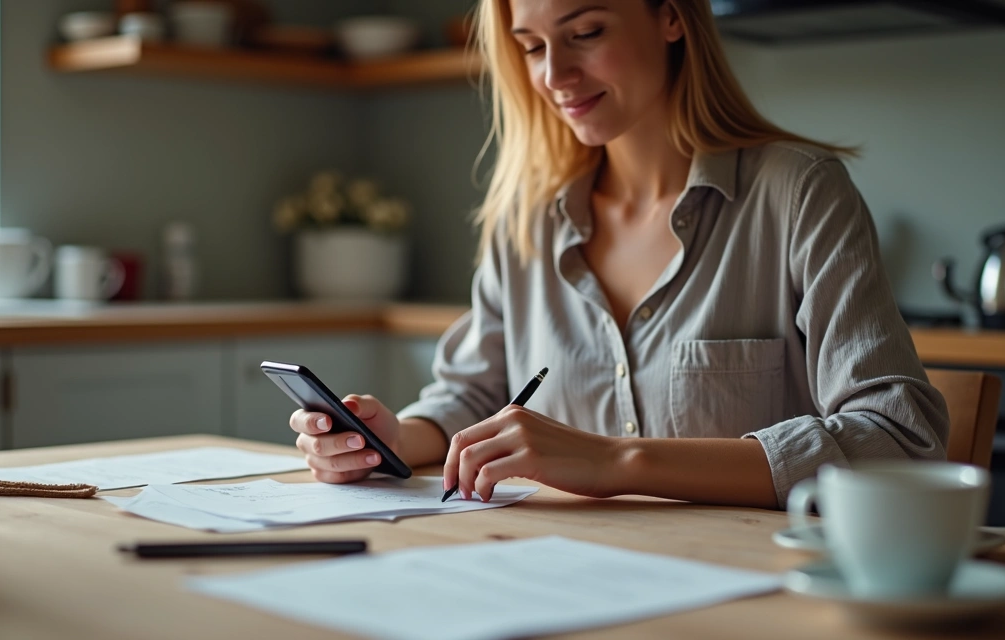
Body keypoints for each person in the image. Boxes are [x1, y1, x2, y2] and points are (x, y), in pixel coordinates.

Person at [289, 0, 949, 510]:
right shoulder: (525, 220)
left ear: (669, 16)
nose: (555, 75)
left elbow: (901, 441)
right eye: (531, 46)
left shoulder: (800, 195)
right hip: (562, 583)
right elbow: (474, 397)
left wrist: (617, 461)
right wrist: (390, 441)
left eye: (586, 33)